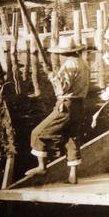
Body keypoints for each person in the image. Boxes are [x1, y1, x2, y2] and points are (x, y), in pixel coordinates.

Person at [26, 35, 90, 183]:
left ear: (64, 53)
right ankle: (72, 176)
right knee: (71, 137)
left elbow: (62, 88)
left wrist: (53, 78)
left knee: (37, 133)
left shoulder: (69, 65)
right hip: (79, 105)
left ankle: (42, 167)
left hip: (66, 105)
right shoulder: (83, 63)